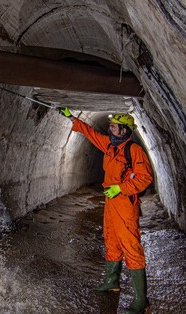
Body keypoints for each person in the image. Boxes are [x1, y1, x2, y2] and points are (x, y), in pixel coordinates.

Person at [59, 107, 153, 314]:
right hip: (111, 201)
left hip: (125, 202)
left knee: (130, 244)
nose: (110, 130)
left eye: (114, 127)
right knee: (111, 238)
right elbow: (91, 134)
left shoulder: (133, 150)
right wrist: (71, 117)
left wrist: (121, 188)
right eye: (110, 127)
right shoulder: (110, 145)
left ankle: (141, 300)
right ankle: (112, 281)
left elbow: (145, 178)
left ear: (125, 130)